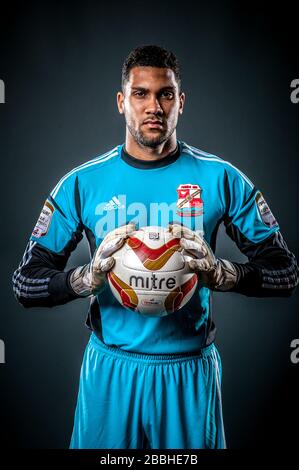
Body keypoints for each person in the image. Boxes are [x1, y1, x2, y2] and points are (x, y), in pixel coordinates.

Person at [12, 45, 298, 449]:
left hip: (189, 373)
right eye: (140, 94)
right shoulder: (83, 183)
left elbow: (285, 271)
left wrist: (223, 274)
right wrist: (85, 278)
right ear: (121, 101)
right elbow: (26, 284)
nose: (154, 107)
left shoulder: (220, 179)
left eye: (165, 94)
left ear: (181, 101)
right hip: (111, 372)